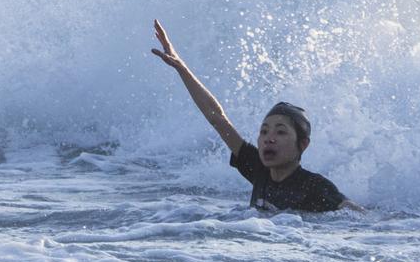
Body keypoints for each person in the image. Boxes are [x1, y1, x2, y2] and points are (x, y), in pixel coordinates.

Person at [151, 19, 363, 213]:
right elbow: (217, 117)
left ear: (303, 144)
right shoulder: (258, 168)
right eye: (263, 131)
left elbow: (352, 212)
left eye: (281, 132)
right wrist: (181, 68)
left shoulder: (315, 186)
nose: (268, 138)